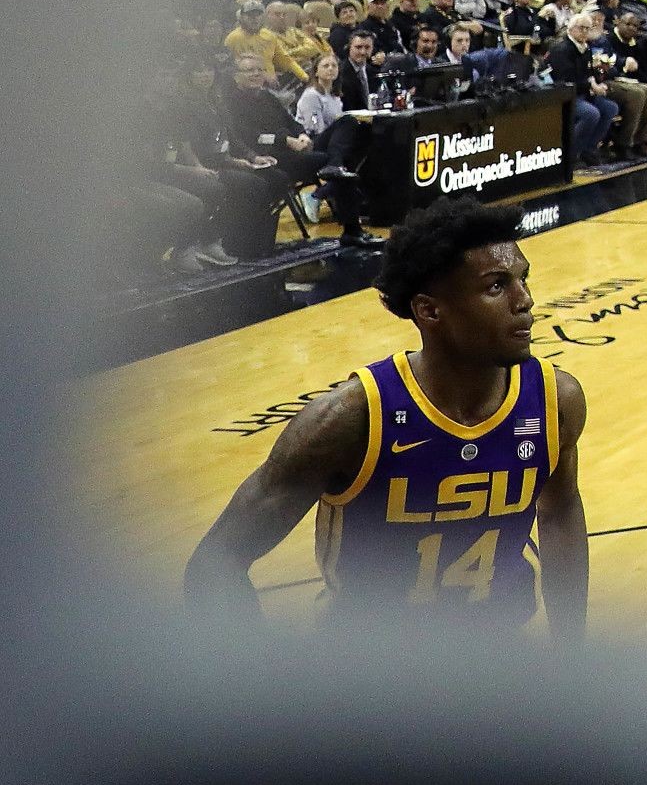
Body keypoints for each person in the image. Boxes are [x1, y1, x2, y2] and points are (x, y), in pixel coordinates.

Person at [183, 197, 588, 632]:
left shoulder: (555, 399)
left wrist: (571, 651)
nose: (524, 300)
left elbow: (560, 513)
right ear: (429, 310)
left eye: (523, 279)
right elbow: (216, 563)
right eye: (496, 286)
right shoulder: (349, 419)